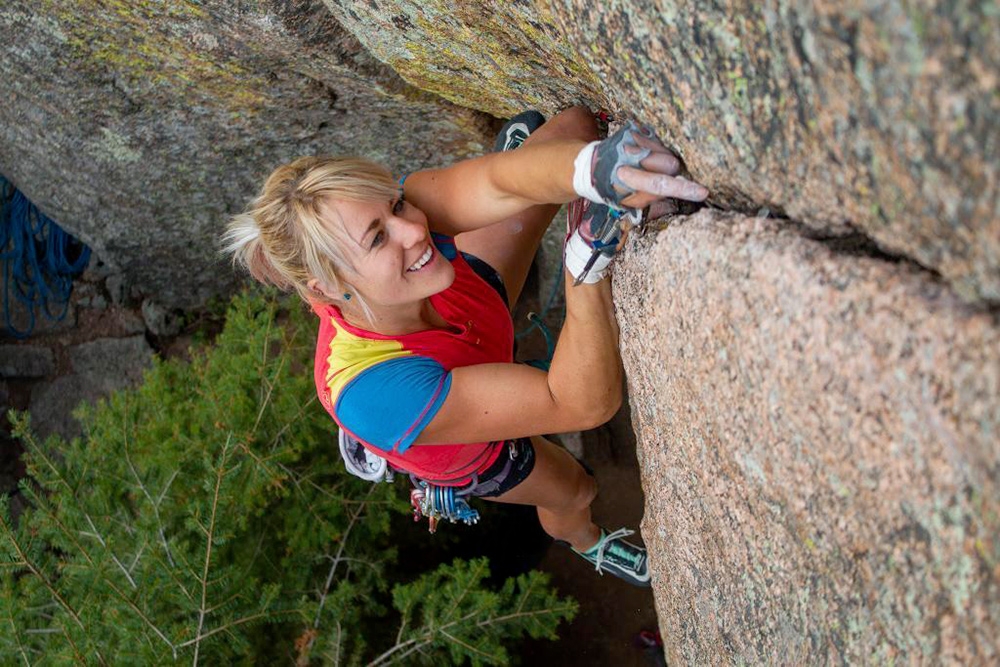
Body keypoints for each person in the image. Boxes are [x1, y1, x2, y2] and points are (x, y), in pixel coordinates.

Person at [225, 107, 708, 587]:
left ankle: (502, 183)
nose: (413, 228)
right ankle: (587, 544)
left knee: (575, 132)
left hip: (471, 308)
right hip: (468, 441)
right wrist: (584, 266)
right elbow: (582, 403)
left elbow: (511, 178)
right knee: (576, 489)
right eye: (377, 239)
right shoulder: (371, 393)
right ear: (326, 286)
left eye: (395, 204)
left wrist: (594, 170)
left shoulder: (411, 229)